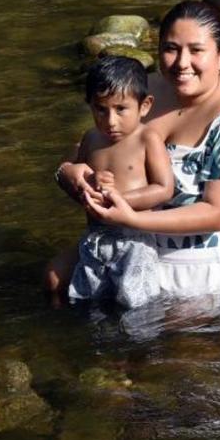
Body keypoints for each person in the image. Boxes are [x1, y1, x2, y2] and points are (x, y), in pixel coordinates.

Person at [51, 1, 220, 301]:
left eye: (196, 50)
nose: (181, 63)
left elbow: (218, 214)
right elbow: (91, 145)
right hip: (126, 240)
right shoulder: (146, 90)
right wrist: (68, 172)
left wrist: (129, 218)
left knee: (174, 342)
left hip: (203, 263)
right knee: (55, 278)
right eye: (171, 49)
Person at [48, 55, 175, 308]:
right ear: (90, 105)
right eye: (101, 109)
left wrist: (119, 201)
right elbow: (79, 183)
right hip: (94, 238)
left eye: (121, 109)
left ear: (145, 106)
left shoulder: (147, 138)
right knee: (88, 299)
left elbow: (164, 188)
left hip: (135, 240)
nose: (111, 121)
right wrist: (89, 182)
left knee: (136, 304)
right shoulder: (91, 139)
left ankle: (141, 345)